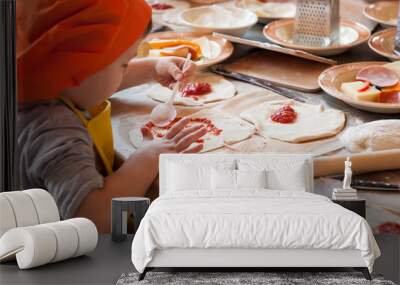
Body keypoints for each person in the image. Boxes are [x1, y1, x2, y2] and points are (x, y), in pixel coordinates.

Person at [16, 0, 206, 233]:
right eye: (124, 64)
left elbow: (92, 81)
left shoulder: (33, 82)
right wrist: (147, 158)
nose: (125, 70)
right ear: (80, 67)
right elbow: (96, 219)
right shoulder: (53, 129)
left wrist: (153, 68)